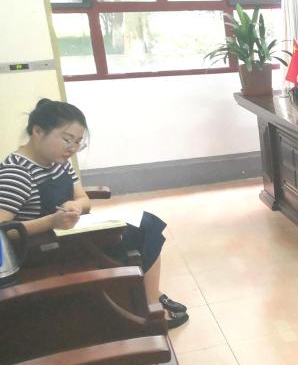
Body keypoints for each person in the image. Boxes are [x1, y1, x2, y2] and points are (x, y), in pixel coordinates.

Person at [0, 99, 189, 328]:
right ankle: (151, 308)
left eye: (78, 142)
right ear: (38, 131)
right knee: (144, 233)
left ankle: (150, 296)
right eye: (67, 139)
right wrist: (52, 221)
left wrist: (76, 206)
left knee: (148, 224)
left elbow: (83, 199)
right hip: (43, 250)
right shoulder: (16, 173)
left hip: (70, 236)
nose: (72, 148)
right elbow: (3, 232)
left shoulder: (58, 161)